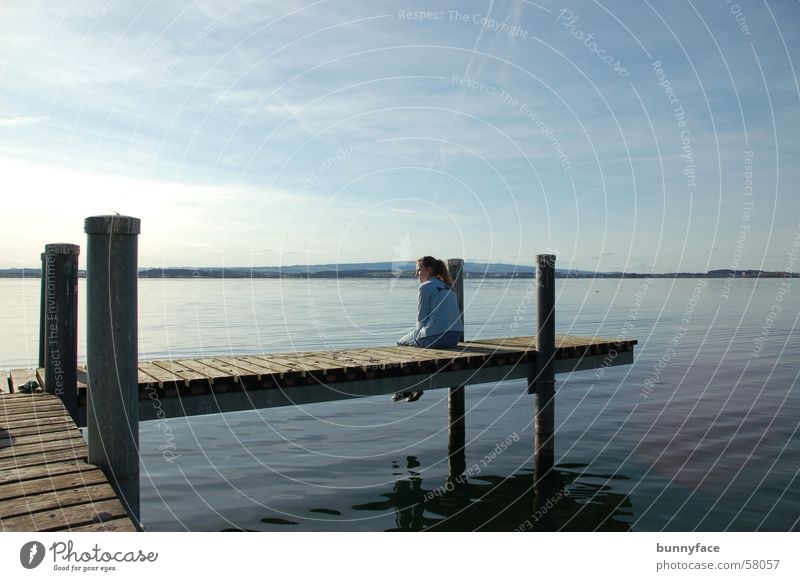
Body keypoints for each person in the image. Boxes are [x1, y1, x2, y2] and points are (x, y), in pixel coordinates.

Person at [393, 256, 464, 402]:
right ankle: (416, 384)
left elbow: (421, 320)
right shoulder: (448, 287)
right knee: (418, 342)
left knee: (401, 342)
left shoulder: (425, 287)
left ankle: (408, 387)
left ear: (429, 270)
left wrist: (416, 335)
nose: (416, 274)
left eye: (419, 270)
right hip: (454, 338)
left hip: (437, 336)